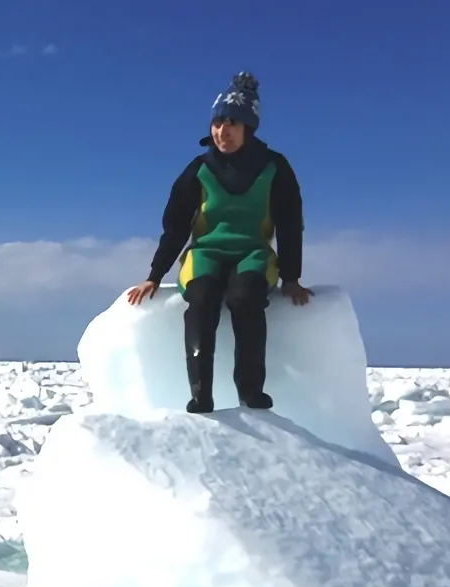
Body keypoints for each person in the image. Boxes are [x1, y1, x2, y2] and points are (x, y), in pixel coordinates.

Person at [125, 71, 314, 414]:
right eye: (217, 123)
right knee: (202, 298)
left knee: (246, 298)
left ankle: (251, 393)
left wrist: (291, 278)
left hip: (253, 253)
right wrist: (154, 274)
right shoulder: (199, 169)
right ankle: (201, 395)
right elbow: (175, 227)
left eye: (232, 123)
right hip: (205, 253)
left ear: (248, 128)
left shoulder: (274, 167)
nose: (222, 131)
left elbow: (289, 224)